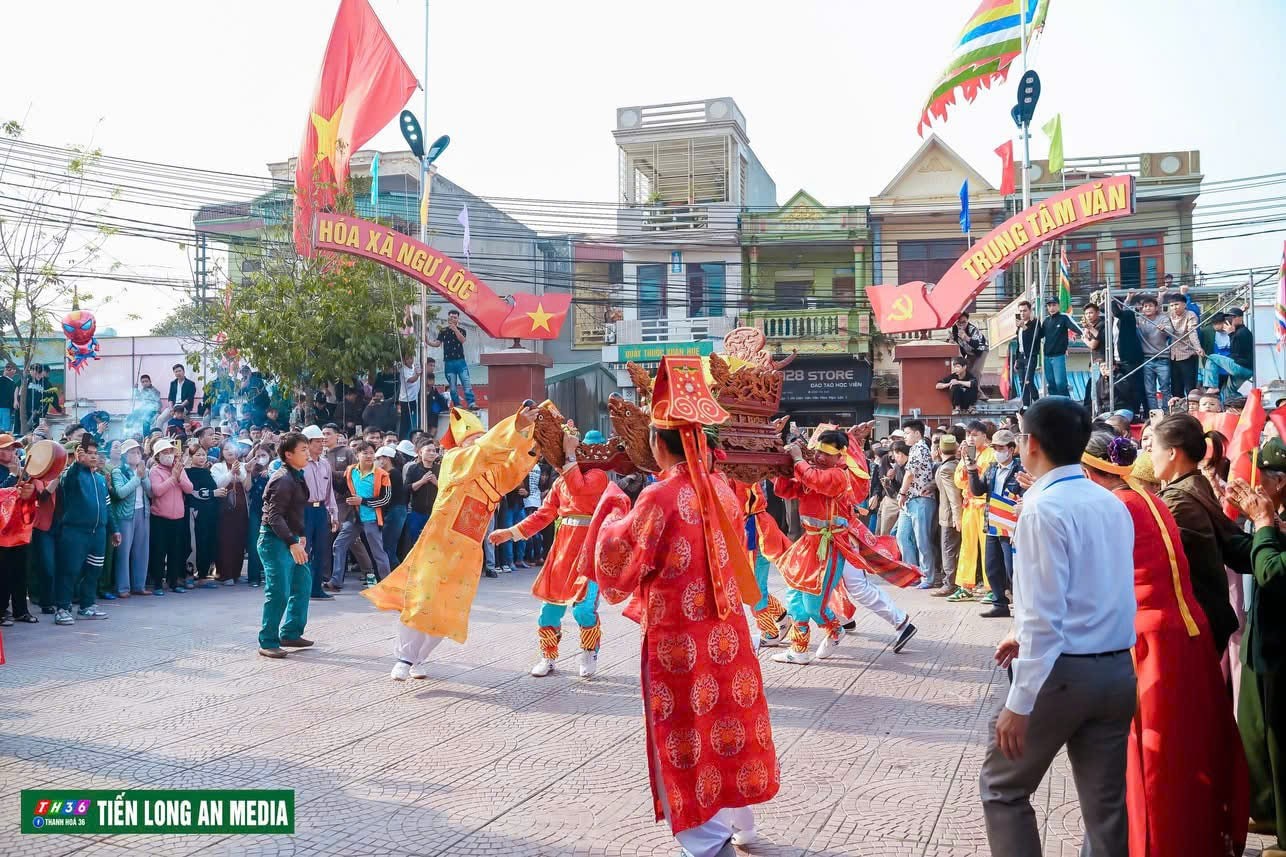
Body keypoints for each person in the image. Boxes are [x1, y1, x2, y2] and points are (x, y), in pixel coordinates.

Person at [580, 356, 778, 856]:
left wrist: (609, 513)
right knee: (728, 719)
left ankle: (705, 841)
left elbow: (618, 560)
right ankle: (741, 823)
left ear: (656, 443)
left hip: (679, 643)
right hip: (727, 632)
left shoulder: (658, 496)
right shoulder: (722, 490)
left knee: (686, 728)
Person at [979, 397, 1137, 857]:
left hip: (1062, 674)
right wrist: (1023, 634)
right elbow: (1102, 589)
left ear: (1030, 444)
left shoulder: (1043, 507)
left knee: (1003, 789)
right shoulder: (1110, 502)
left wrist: (1020, 700)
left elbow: (1043, 616)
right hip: (1114, 672)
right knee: (1106, 808)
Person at [1082, 432, 1248, 857]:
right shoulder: (1150, 498)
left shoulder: (1115, 508)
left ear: (1087, 472)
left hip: (1150, 642)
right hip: (1186, 634)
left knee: (1156, 762)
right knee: (1194, 746)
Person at [363, 405, 539, 681]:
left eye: (481, 437)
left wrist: (533, 437)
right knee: (422, 600)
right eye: (473, 438)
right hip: (438, 545)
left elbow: (515, 464)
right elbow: (483, 451)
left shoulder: (493, 474)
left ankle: (419, 658)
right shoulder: (456, 459)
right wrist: (514, 426)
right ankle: (404, 656)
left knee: (448, 611)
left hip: (467, 551)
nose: (479, 443)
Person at [771, 428, 917, 664]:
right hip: (809, 543)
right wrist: (783, 469)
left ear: (840, 456)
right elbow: (784, 490)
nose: (819, 457)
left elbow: (814, 480)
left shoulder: (838, 475)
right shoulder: (812, 470)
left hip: (830, 545)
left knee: (816, 604)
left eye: (825, 454)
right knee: (795, 597)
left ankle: (836, 629)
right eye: (817, 451)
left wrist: (798, 459)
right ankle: (798, 650)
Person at [491, 429, 609, 677]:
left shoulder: (599, 477)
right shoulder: (559, 482)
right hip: (563, 551)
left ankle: (589, 651)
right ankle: (548, 656)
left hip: (589, 551)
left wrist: (568, 454)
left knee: (584, 609)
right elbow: (543, 515)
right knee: (549, 610)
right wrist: (511, 532)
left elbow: (578, 488)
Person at [1225, 450, 1286, 857]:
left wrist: (1264, 524)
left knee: (1280, 748)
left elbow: (1272, 572)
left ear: (1278, 481)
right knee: (1253, 734)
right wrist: (1219, 516)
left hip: (1281, 653)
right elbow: (1251, 554)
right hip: (1263, 647)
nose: (1255, 487)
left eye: (1260, 477)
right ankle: (1264, 810)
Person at [1152, 414, 1247, 655]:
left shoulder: (1177, 499)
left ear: (1172, 453)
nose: (1150, 456)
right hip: (1205, 617)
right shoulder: (1195, 485)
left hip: (1193, 622)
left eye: (1153, 448)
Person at [256, 432, 315, 659]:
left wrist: (300, 536)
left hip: (291, 539)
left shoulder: (297, 475)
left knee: (302, 584)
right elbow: (274, 516)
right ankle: (268, 640)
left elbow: (296, 511)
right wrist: (292, 542)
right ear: (288, 454)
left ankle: (290, 633)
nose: (307, 453)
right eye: (303, 450)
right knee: (279, 591)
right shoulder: (282, 478)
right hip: (274, 540)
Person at [53, 437, 120, 625]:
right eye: (88, 453)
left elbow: (107, 508)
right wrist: (76, 465)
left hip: (98, 534)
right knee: (70, 570)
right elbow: (67, 481)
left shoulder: (99, 480)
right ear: (79, 455)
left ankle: (86, 606)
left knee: (94, 571)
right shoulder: (71, 475)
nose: (92, 456)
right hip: (75, 533)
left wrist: (114, 529)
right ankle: (62, 608)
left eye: (94, 453)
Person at [966, 429, 1025, 619]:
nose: (997, 451)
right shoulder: (992, 468)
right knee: (992, 566)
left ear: (1011, 449)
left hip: (1011, 526)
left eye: (1001, 448)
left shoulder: (1020, 470)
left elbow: (1026, 494)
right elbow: (978, 491)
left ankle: (1022, 603)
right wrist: (972, 469)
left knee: (1012, 568)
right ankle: (1000, 603)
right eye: (995, 448)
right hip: (992, 523)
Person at [329, 441, 392, 589]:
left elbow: (386, 499)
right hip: (354, 517)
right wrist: (327, 475)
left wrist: (362, 501)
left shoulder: (382, 474)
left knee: (378, 552)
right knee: (339, 545)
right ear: (357, 455)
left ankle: (387, 584)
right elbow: (343, 487)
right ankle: (336, 581)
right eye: (365, 453)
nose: (369, 456)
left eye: (371, 453)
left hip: (372, 518)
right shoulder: (351, 471)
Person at [894, 420, 937, 588]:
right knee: (902, 536)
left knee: (922, 540)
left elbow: (910, 474)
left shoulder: (920, 448)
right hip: (910, 500)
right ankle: (913, 574)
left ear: (917, 433)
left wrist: (902, 493)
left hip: (920, 499)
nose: (905, 436)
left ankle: (927, 577)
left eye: (907, 433)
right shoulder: (914, 449)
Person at [0, 433, 38, 625]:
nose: (11, 452)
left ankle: (21, 610)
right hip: (2, 530)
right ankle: (1, 611)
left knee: (20, 571)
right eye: (6, 448)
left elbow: (33, 495)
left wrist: (29, 490)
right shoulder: (9, 471)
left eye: (13, 448)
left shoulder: (24, 469)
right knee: (3, 572)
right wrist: (13, 476)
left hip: (20, 529)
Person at [147, 438, 193, 595]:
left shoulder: (179, 468)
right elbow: (157, 491)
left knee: (176, 552)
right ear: (158, 456)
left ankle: (174, 582)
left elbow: (189, 488)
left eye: (170, 452)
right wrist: (173, 478)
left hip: (178, 518)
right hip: (160, 518)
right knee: (159, 552)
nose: (168, 455)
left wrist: (178, 476)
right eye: (164, 453)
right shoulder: (155, 471)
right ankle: (158, 584)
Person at [109, 439, 151, 598]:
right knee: (123, 552)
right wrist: (137, 478)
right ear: (125, 455)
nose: (136, 455)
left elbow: (151, 492)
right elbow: (120, 493)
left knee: (142, 550)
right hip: (125, 515)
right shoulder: (118, 471)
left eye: (139, 452)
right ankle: (122, 587)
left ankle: (139, 585)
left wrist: (143, 476)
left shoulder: (143, 470)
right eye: (133, 452)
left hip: (143, 512)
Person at [211, 441, 251, 585]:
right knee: (225, 541)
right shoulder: (217, 466)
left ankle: (236, 573)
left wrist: (241, 472)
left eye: (232, 448)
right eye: (226, 449)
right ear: (221, 452)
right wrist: (230, 473)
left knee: (239, 541)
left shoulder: (243, 466)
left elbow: (247, 486)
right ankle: (225, 574)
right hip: (224, 510)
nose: (229, 451)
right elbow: (218, 484)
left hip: (240, 511)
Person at [932, 433, 964, 597]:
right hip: (951, 515)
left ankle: (949, 583)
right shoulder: (954, 464)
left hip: (949, 516)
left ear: (939, 450)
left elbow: (954, 496)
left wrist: (957, 518)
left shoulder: (945, 469)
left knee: (948, 549)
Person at [428, 310, 476, 409]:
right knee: (452, 387)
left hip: (460, 361)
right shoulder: (443, 331)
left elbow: (462, 340)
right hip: (449, 362)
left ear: (458, 319)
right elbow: (437, 343)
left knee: (466, 383)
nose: (453, 319)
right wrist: (427, 341)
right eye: (451, 317)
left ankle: (471, 403)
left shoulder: (462, 330)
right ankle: (457, 404)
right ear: (448, 318)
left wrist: (455, 329)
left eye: (455, 317)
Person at [185, 445, 219, 586]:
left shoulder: (207, 472)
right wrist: (213, 493)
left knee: (206, 542)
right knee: (193, 543)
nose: (201, 457)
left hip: (208, 513)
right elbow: (193, 491)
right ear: (191, 456)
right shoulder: (187, 472)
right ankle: (188, 574)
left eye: (203, 455)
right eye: (198, 455)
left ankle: (204, 575)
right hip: (194, 511)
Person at [1136, 294, 1176, 411]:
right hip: (1146, 359)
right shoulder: (1140, 319)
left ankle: (1166, 412)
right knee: (1150, 391)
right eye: (1145, 306)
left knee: (1165, 389)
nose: (1147, 308)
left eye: (1150, 306)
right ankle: (1154, 413)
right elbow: (1124, 315)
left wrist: (1165, 329)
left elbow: (1171, 332)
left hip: (1162, 358)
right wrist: (1128, 299)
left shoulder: (1163, 318)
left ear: (1156, 307)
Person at [1038, 297, 1081, 398]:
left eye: (1054, 305)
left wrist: (1084, 333)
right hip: (1047, 356)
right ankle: (1055, 406)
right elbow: (1039, 335)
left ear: (1058, 305)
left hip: (1059, 356)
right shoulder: (1046, 321)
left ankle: (1067, 404)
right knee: (1051, 384)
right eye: (1049, 305)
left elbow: (1075, 327)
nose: (1051, 308)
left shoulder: (1064, 317)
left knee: (1060, 383)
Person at [376, 445, 408, 579]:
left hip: (395, 511)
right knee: (389, 545)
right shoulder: (392, 473)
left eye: (379, 458)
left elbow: (387, 497)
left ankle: (398, 576)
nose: (377, 461)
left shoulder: (393, 474)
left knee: (388, 545)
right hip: (396, 511)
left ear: (386, 459)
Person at [402, 441, 439, 555]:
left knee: (433, 543)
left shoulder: (440, 468)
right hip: (416, 512)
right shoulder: (413, 469)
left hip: (435, 512)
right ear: (420, 452)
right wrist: (422, 481)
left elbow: (447, 489)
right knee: (415, 542)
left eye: (434, 451)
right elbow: (407, 488)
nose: (432, 453)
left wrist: (436, 482)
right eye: (429, 450)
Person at [1166, 292, 1203, 399]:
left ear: (1184, 304)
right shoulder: (1169, 316)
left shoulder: (1190, 315)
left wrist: (1198, 348)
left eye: (1177, 304)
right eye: (1172, 305)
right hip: (1173, 356)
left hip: (1188, 354)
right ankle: (1178, 412)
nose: (1174, 308)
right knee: (1176, 388)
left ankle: (1191, 411)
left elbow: (1192, 332)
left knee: (1190, 387)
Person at [1012, 302, 1040, 405]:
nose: (1022, 313)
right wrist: (1016, 359)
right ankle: (1026, 405)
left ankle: (1037, 401)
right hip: (1020, 356)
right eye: (1020, 311)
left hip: (1030, 356)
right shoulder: (1020, 324)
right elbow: (1019, 343)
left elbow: (1034, 338)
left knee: (1028, 381)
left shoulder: (1035, 323)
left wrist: (1024, 327)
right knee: (1021, 382)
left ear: (1030, 311)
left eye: (1024, 310)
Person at [948, 312, 989, 377]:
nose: (961, 324)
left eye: (964, 322)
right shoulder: (954, 330)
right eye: (959, 322)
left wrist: (967, 338)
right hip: (969, 351)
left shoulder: (972, 329)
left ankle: (976, 387)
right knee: (967, 371)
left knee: (976, 371)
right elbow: (959, 345)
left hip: (981, 350)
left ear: (967, 321)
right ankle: (968, 386)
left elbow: (977, 345)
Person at [396, 353, 422, 439]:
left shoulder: (414, 367)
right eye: (408, 359)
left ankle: (414, 437)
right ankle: (402, 438)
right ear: (404, 360)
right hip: (406, 400)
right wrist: (417, 375)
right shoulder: (403, 370)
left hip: (415, 398)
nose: (410, 360)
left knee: (415, 419)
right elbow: (411, 380)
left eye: (411, 358)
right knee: (405, 422)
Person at [0, 363, 17, 433]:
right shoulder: (12, 383)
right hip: (6, 408)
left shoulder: (11, 382)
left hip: (5, 407)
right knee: (5, 430)